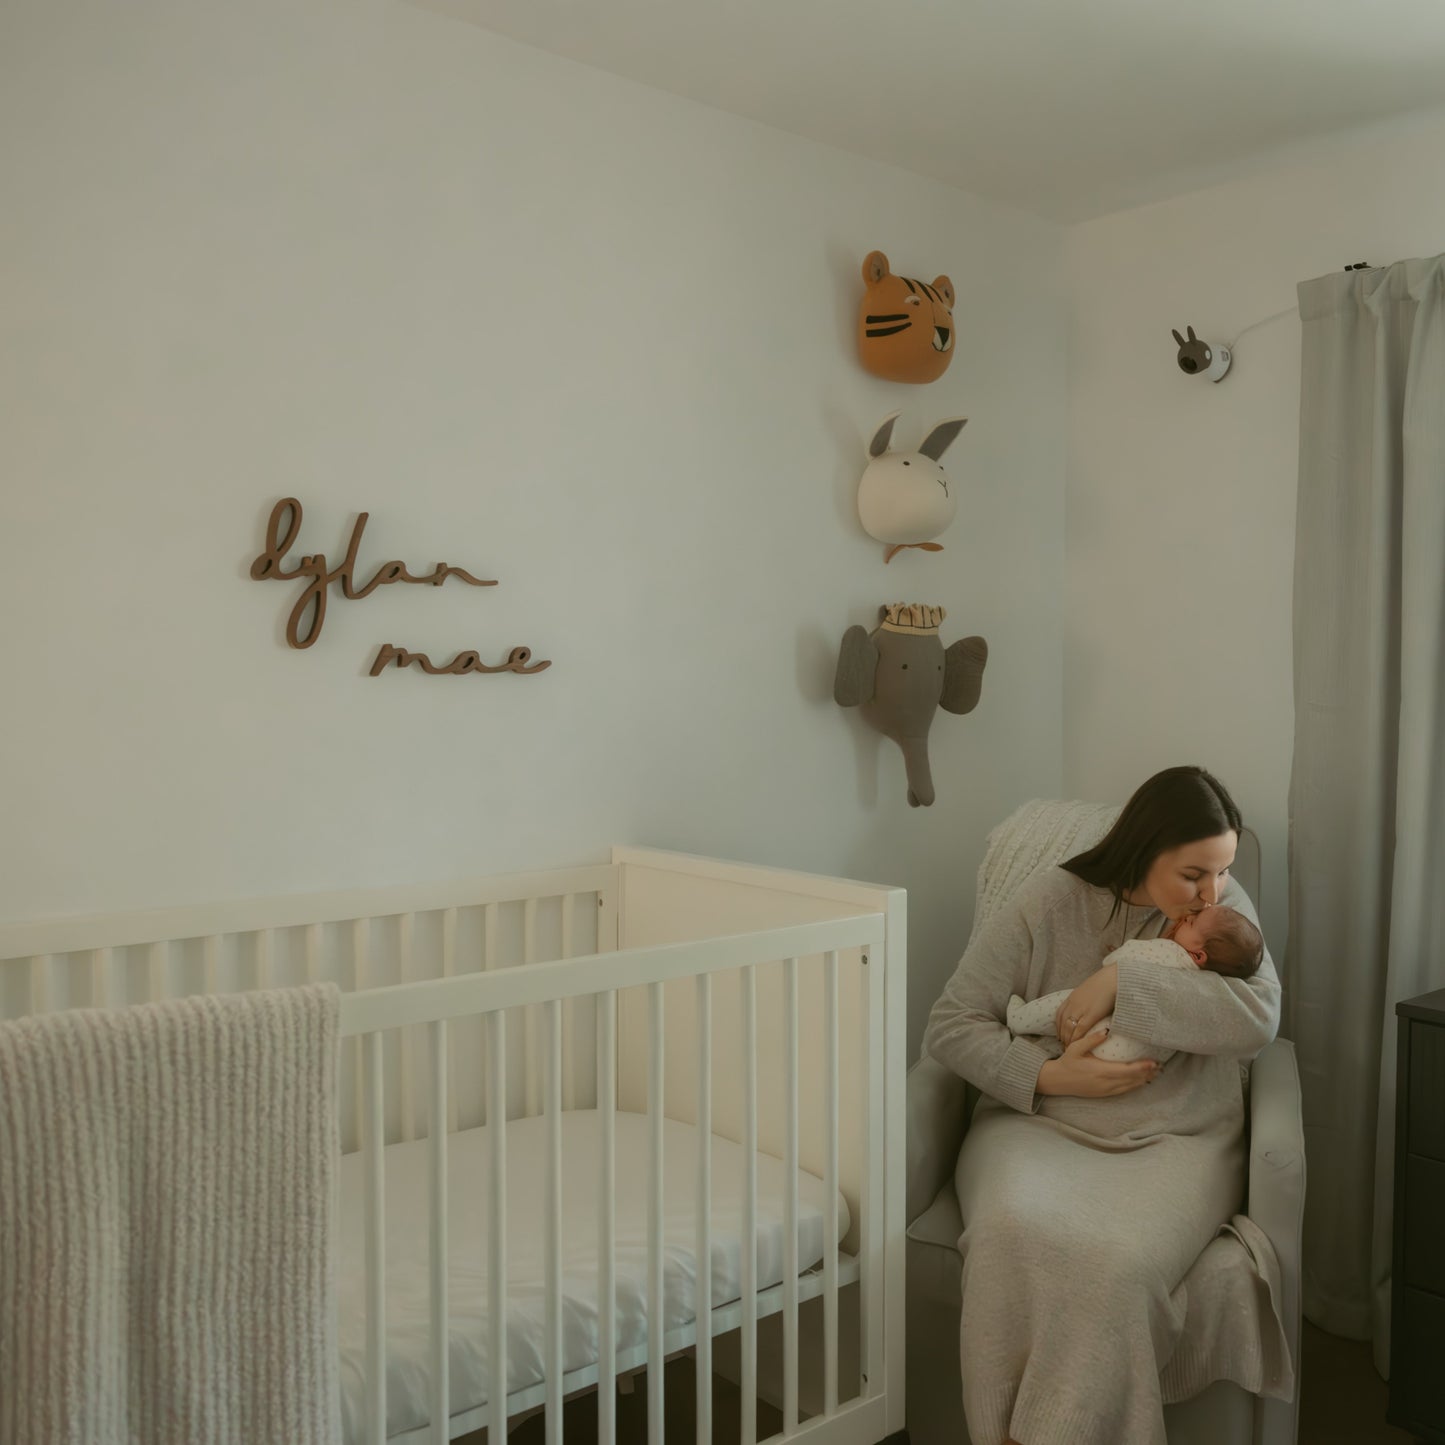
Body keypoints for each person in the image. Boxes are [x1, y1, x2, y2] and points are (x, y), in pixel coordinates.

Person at [922, 766, 1280, 1445]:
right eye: (1193, 875)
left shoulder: (1218, 908)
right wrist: (1050, 1076)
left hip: (1175, 1140)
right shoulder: (1046, 900)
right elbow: (951, 1021)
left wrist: (1120, 978)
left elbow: (1256, 1016)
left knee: (1117, 1268)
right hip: (1035, 1129)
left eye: (1221, 872)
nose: (1211, 891)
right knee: (1007, 1237)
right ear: (1143, 848)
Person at [1005, 904, 1265, 1064]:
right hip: (1138, 1056)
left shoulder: (1170, 951)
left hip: (1112, 1040)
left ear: (1198, 955)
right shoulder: (1208, 982)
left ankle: (1021, 1018)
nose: (1186, 918)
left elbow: (1125, 959)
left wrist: (1112, 963)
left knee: (1068, 1003)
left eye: (1191, 923)